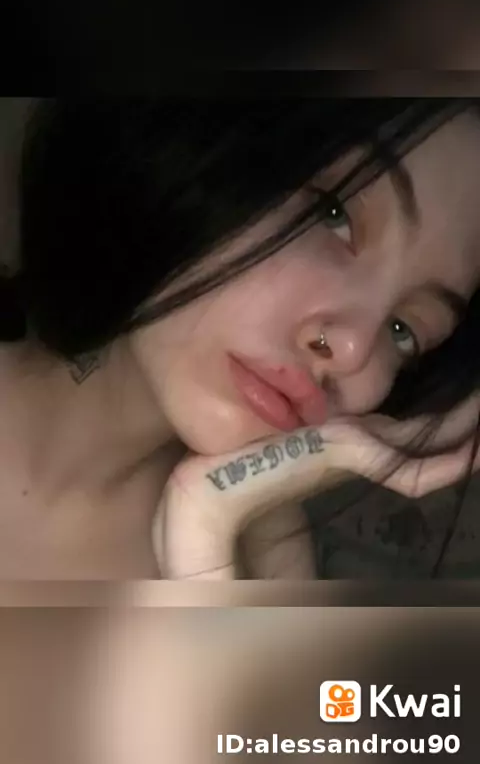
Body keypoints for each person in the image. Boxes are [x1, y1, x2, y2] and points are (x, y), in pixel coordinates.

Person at [1, 97, 480, 579]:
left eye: (404, 331)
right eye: (335, 215)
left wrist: (203, 534)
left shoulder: (265, 565)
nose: (353, 350)